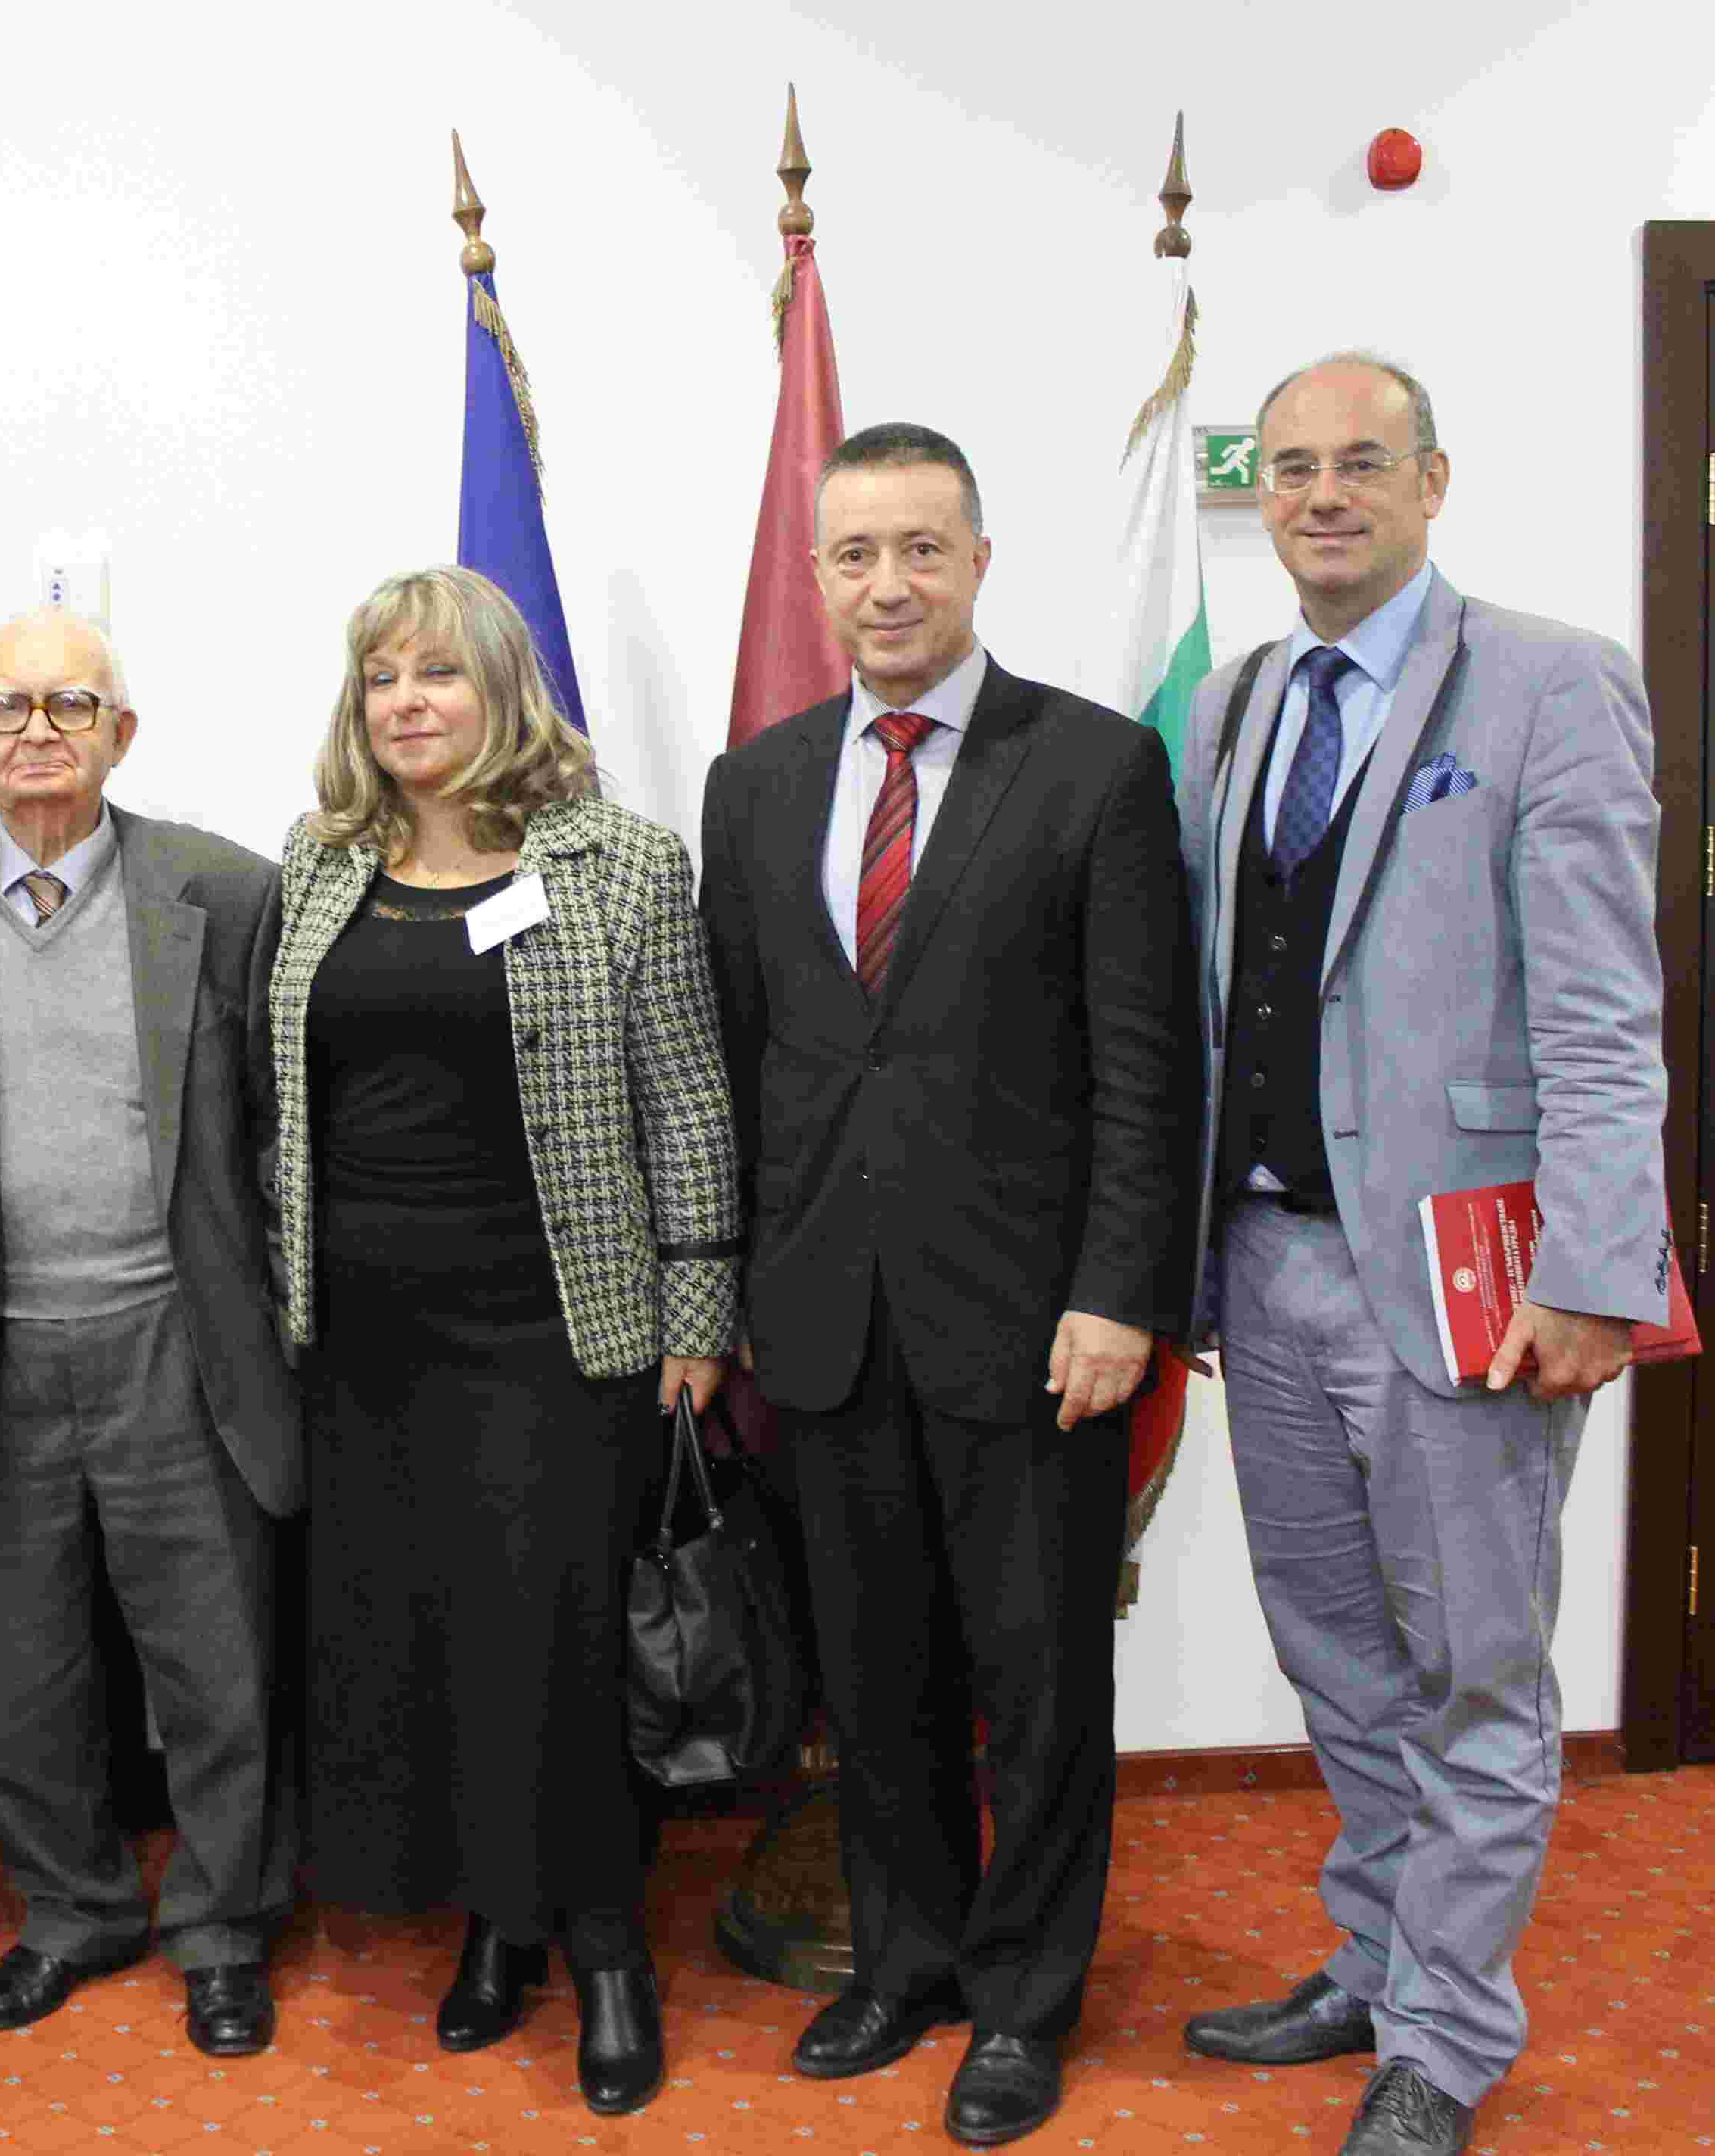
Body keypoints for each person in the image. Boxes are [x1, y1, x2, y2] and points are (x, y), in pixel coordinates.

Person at [1172, 355, 1667, 2156]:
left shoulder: (1551, 682)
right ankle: (1381, 1958)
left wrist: (1596, 1270)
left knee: (1474, 1669)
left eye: (1363, 461)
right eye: (1294, 465)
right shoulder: (1235, 705)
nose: (1324, 492)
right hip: (1264, 1259)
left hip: (1471, 1276)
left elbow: (1604, 1010)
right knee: (1337, 1652)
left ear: (1432, 482)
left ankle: (1446, 2036)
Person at [697, 423, 1200, 2148]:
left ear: (980, 560)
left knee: (1040, 1685)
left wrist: (1121, 1291)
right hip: (826, 1318)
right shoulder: (754, 783)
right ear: (817, 578)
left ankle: (1022, 2000)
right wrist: (741, 1283)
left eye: (923, 548)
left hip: (1036, 1320)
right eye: (856, 554)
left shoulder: (1096, 767)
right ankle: (902, 1957)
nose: (890, 584)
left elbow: (1146, 1063)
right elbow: (747, 1055)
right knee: (875, 1673)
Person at [266, 564, 739, 2120]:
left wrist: (698, 1309)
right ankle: (497, 1919)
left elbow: (687, 1099)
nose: (408, 702)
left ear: (503, 692)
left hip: (553, 1328)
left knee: (555, 1645)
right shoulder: (321, 857)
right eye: (384, 676)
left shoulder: (619, 863)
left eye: (441, 673)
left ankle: (605, 1946)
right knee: (424, 1642)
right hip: (364, 1339)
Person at [0, 606, 299, 2058]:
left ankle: (221, 1929)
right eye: (5, 707)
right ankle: (73, 1910)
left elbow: (279, 1134)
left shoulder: (224, 892)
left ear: (123, 733)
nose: (36, 731)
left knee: (217, 1669)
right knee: (15, 1679)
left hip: (180, 1344)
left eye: (70, 705)